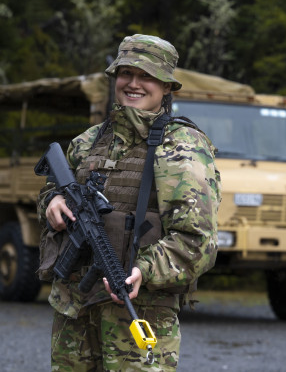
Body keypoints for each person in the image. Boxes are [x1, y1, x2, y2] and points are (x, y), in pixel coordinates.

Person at [37, 34, 221, 371]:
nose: (133, 84)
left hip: (140, 315)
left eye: (147, 76)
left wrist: (144, 269)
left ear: (167, 86)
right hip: (74, 312)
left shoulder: (183, 148)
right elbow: (50, 191)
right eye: (125, 73)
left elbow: (198, 241)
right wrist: (52, 202)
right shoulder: (88, 141)